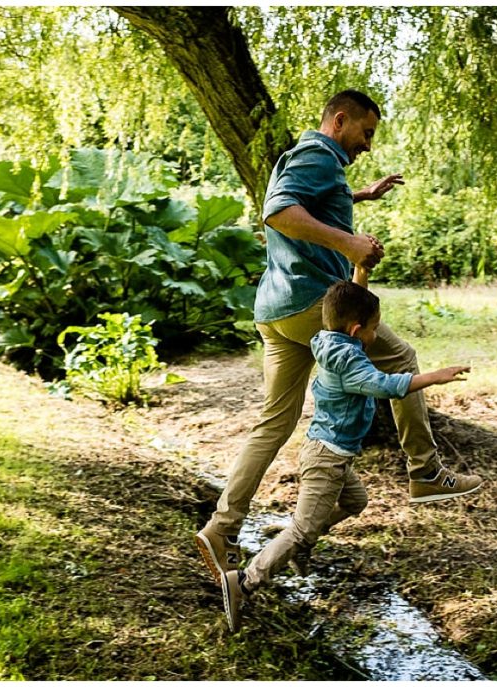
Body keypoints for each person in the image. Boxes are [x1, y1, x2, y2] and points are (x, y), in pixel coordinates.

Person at [196, 89, 482, 588]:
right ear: (340, 120)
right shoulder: (316, 153)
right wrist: (349, 242)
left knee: (274, 422)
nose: (368, 145)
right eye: (366, 133)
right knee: (402, 359)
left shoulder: (313, 160)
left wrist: (358, 197)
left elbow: (308, 199)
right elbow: (279, 211)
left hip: (276, 309)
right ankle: (426, 471)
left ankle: (222, 528)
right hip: (313, 305)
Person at [220, 275, 479, 632]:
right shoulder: (350, 365)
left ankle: (301, 547)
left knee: (356, 501)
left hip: (329, 453)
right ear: (357, 330)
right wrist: (434, 377)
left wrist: (361, 272)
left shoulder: (332, 340)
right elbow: (385, 385)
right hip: (327, 459)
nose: (377, 335)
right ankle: (246, 582)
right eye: (374, 329)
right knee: (301, 528)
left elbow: (353, 309)